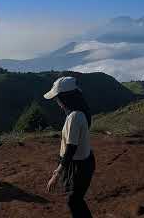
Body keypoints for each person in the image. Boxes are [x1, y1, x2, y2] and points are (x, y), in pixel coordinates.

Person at [44, 76, 95, 218]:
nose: (56, 101)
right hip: (83, 162)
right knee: (75, 200)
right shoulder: (81, 112)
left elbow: (71, 148)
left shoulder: (74, 116)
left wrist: (56, 173)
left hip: (77, 166)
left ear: (65, 98)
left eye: (57, 97)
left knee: (73, 201)